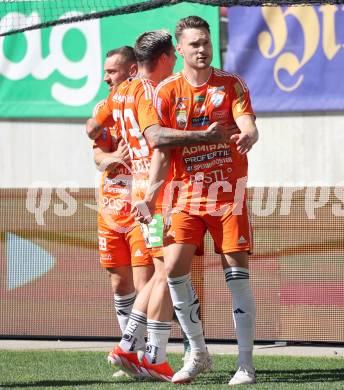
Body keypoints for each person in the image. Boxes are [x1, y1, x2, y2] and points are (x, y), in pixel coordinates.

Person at [87, 29, 237, 382]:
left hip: (138, 188)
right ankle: (135, 348)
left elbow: (94, 127)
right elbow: (158, 143)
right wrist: (207, 137)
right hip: (158, 190)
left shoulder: (120, 92)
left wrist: (111, 152)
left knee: (161, 273)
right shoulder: (151, 91)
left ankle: (146, 353)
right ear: (168, 57)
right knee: (163, 273)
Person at [142, 16, 259, 385]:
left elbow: (248, 122)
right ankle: (198, 353)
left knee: (235, 275)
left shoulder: (230, 84)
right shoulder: (166, 92)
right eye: (194, 44)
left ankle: (245, 364)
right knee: (174, 269)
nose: (202, 49)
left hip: (227, 195)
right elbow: (161, 149)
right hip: (184, 196)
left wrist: (250, 135)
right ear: (179, 50)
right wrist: (149, 196)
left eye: (206, 42)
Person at [90, 46, 154, 378]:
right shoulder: (103, 109)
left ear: (130, 71)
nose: (105, 78)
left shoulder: (145, 100)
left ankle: (142, 353)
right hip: (110, 210)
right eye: (105, 72)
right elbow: (97, 155)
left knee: (146, 282)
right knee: (119, 283)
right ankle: (132, 354)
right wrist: (113, 156)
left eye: (111, 72)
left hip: (140, 209)